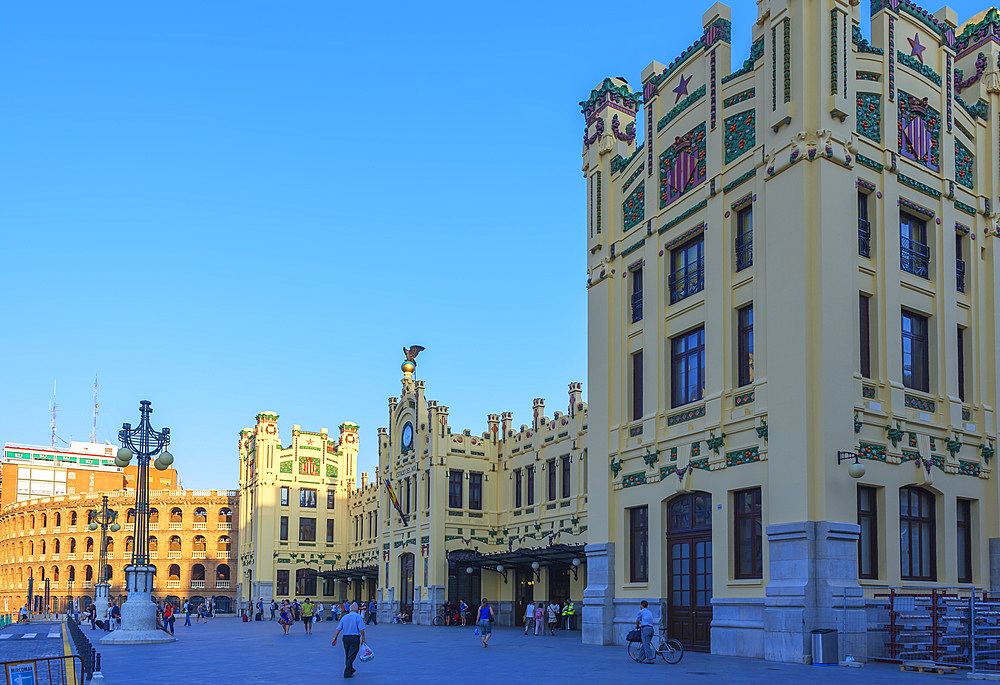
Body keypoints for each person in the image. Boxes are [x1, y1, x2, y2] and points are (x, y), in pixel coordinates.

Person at [331, 603, 366, 679]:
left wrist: (335, 638)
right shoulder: (358, 617)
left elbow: (338, 629)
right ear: (356, 609)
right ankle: (347, 671)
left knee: (348, 654)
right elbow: (361, 629)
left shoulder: (344, 617)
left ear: (350, 609)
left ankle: (350, 670)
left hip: (345, 638)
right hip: (354, 638)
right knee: (352, 654)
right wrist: (363, 638)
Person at [635, 600, 656, 664]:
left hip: (645, 629)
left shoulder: (641, 612)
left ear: (641, 605)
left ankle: (650, 659)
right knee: (645, 643)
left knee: (646, 645)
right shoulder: (649, 612)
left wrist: (637, 626)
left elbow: (637, 621)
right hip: (651, 629)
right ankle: (640, 658)